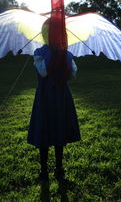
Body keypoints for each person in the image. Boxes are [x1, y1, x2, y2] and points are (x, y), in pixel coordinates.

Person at [27, 16, 81, 183]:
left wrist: (63, 57)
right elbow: (43, 72)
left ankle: (59, 169)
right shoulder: (39, 53)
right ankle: (43, 171)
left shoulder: (67, 54)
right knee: (44, 132)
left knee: (60, 132)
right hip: (45, 98)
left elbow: (72, 74)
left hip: (61, 97)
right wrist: (54, 58)